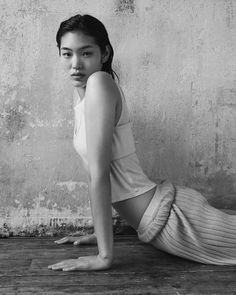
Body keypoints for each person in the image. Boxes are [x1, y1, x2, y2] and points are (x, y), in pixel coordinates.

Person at [48, 14, 236, 272]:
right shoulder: (81, 95)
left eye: (86, 53)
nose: (75, 64)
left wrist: (105, 256)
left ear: (104, 54)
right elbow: (97, 174)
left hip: (172, 221)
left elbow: (100, 176)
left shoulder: (99, 83)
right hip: (158, 218)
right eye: (67, 54)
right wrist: (102, 234)